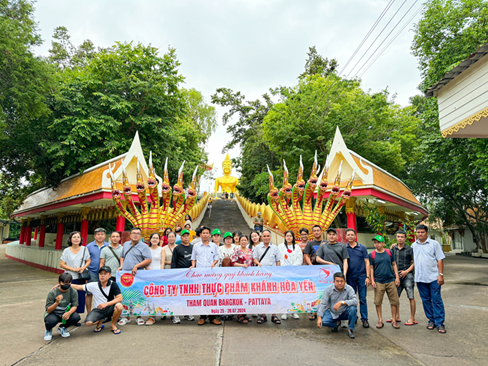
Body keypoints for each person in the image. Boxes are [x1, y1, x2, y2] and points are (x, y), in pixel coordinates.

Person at [412, 224, 446, 334]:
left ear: (426, 233)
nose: (420, 234)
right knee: (425, 300)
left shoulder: (434, 244)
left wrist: (440, 274)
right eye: (418, 232)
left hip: (433, 278)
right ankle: (431, 320)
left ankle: (440, 322)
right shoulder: (413, 246)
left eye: (422, 232)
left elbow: (440, 260)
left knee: (436, 300)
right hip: (420, 278)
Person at [71, 266, 123, 335]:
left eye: (105, 274)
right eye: (101, 274)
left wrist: (105, 304)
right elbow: (78, 287)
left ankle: (113, 325)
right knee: (88, 323)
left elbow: (120, 298)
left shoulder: (113, 284)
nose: (102, 275)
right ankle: (99, 323)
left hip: (109, 308)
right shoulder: (94, 285)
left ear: (110, 275)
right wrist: (63, 284)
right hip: (98, 309)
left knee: (119, 306)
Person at [117, 227, 152, 326]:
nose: (135, 235)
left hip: (138, 275)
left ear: (140, 236)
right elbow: (122, 256)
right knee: (125, 295)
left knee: (138, 296)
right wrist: (121, 266)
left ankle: (138, 316)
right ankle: (126, 317)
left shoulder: (144, 246)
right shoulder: (126, 244)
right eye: (133, 233)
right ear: (130, 235)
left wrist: (136, 266)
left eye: (138, 233)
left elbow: (148, 259)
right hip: (125, 275)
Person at [190, 226, 222, 326]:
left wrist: (214, 263)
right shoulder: (196, 246)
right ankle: (202, 316)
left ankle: (212, 317)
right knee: (202, 295)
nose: (205, 234)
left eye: (207, 233)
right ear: (200, 235)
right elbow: (193, 258)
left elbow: (216, 257)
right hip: (200, 274)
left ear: (209, 235)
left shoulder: (213, 246)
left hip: (211, 274)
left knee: (212, 295)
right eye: (203, 233)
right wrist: (193, 266)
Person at [369, 235, 400, 330]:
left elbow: (394, 264)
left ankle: (394, 320)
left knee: (394, 301)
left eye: (378, 242)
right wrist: (372, 280)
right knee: (378, 302)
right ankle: (380, 320)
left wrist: (397, 277)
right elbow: (371, 268)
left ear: (383, 243)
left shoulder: (389, 252)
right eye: (375, 243)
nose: (376, 244)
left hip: (390, 280)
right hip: (378, 281)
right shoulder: (372, 254)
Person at [253, 229, 282, 325]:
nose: (266, 238)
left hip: (273, 276)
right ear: (262, 237)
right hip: (261, 276)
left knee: (274, 295)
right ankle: (263, 315)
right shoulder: (257, 248)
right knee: (262, 295)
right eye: (264, 236)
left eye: (268, 236)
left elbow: (278, 261)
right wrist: (258, 264)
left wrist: (278, 272)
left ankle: (274, 315)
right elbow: (254, 259)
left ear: (270, 237)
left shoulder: (275, 248)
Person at [317, 272, 358, 339]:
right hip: (332, 312)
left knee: (353, 309)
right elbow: (323, 303)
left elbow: (355, 301)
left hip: (345, 311)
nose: (339, 283)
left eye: (341, 281)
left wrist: (342, 302)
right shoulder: (328, 289)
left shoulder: (349, 288)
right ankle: (337, 323)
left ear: (345, 281)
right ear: (334, 282)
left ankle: (350, 329)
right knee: (323, 322)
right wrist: (319, 318)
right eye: (337, 281)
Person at [345, 228, 371, 328]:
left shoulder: (362, 247)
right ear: (346, 236)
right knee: (351, 298)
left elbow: (367, 262)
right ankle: (353, 317)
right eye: (348, 235)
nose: (350, 236)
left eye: (352, 235)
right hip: (350, 277)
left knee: (362, 298)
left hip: (361, 276)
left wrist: (368, 276)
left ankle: (364, 319)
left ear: (355, 236)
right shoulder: (344, 248)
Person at [60, 231, 91, 314]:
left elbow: (88, 261)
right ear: (70, 239)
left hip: (80, 277)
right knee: (69, 298)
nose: (76, 239)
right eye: (74, 237)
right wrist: (72, 269)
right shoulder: (66, 250)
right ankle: (68, 315)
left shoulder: (84, 249)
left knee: (80, 297)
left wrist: (83, 268)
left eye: (78, 237)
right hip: (69, 278)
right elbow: (62, 264)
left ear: (81, 239)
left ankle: (76, 317)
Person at [43, 273, 80, 340]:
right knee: (50, 321)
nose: (66, 285)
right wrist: (56, 303)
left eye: (68, 283)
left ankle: (63, 327)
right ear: (59, 282)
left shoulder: (73, 292)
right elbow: (48, 310)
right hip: (54, 313)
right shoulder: (53, 293)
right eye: (64, 283)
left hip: (65, 312)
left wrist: (68, 313)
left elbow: (75, 305)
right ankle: (48, 330)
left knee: (76, 317)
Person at [391, 230, 416, 327]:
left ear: (405, 238)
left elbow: (414, 263)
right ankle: (396, 316)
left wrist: (406, 271)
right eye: (398, 237)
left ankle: (412, 317)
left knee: (411, 296)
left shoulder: (410, 249)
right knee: (395, 297)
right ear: (396, 238)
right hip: (396, 276)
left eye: (402, 237)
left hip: (408, 275)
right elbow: (391, 263)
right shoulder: (393, 249)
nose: (400, 238)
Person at [170, 229, 195, 324]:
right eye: (184, 236)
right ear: (181, 238)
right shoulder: (177, 248)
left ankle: (187, 313)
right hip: (179, 276)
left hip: (190, 276)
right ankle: (175, 315)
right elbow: (174, 262)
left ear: (189, 237)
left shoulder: (193, 248)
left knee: (187, 295)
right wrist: (174, 275)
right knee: (177, 296)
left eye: (187, 236)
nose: (186, 237)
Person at [278, 230, 303, 320]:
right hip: (284, 272)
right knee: (285, 292)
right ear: (285, 237)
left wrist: (293, 268)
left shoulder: (297, 247)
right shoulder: (280, 246)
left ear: (293, 237)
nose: (289, 237)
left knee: (294, 293)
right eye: (287, 236)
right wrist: (285, 268)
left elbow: (299, 259)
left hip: (294, 273)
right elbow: (279, 259)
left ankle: (294, 311)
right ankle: (284, 312)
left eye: (290, 236)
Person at [303, 225, 325, 320]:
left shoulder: (326, 242)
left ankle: (323, 311)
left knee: (324, 291)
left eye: (318, 230)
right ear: (312, 233)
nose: (316, 232)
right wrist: (310, 265)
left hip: (325, 271)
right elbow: (306, 255)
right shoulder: (310, 244)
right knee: (314, 291)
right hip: (314, 270)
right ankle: (313, 312)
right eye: (314, 231)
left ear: (321, 231)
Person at [85, 228, 109, 313]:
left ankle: (102, 312)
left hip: (104, 274)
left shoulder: (108, 246)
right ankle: (89, 313)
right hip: (92, 273)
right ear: (95, 236)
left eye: (102, 234)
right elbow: (86, 259)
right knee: (89, 293)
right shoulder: (89, 246)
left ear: (105, 236)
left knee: (103, 293)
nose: (100, 236)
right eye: (98, 234)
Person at [231, 235, 253, 324]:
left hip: (248, 277)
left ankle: (245, 313)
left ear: (247, 241)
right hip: (239, 276)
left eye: (245, 240)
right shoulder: (237, 250)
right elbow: (233, 262)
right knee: (240, 295)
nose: (244, 241)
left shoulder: (250, 251)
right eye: (242, 240)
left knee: (246, 295)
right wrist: (242, 265)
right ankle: (239, 314)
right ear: (239, 241)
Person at [144, 233, 164, 326]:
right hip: (148, 275)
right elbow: (144, 261)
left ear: (159, 240)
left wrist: (160, 273)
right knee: (149, 296)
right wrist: (147, 268)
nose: (155, 240)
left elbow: (162, 263)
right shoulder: (146, 249)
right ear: (150, 239)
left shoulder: (161, 249)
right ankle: (152, 315)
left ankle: (154, 315)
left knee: (157, 296)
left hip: (158, 275)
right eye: (153, 238)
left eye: (157, 238)